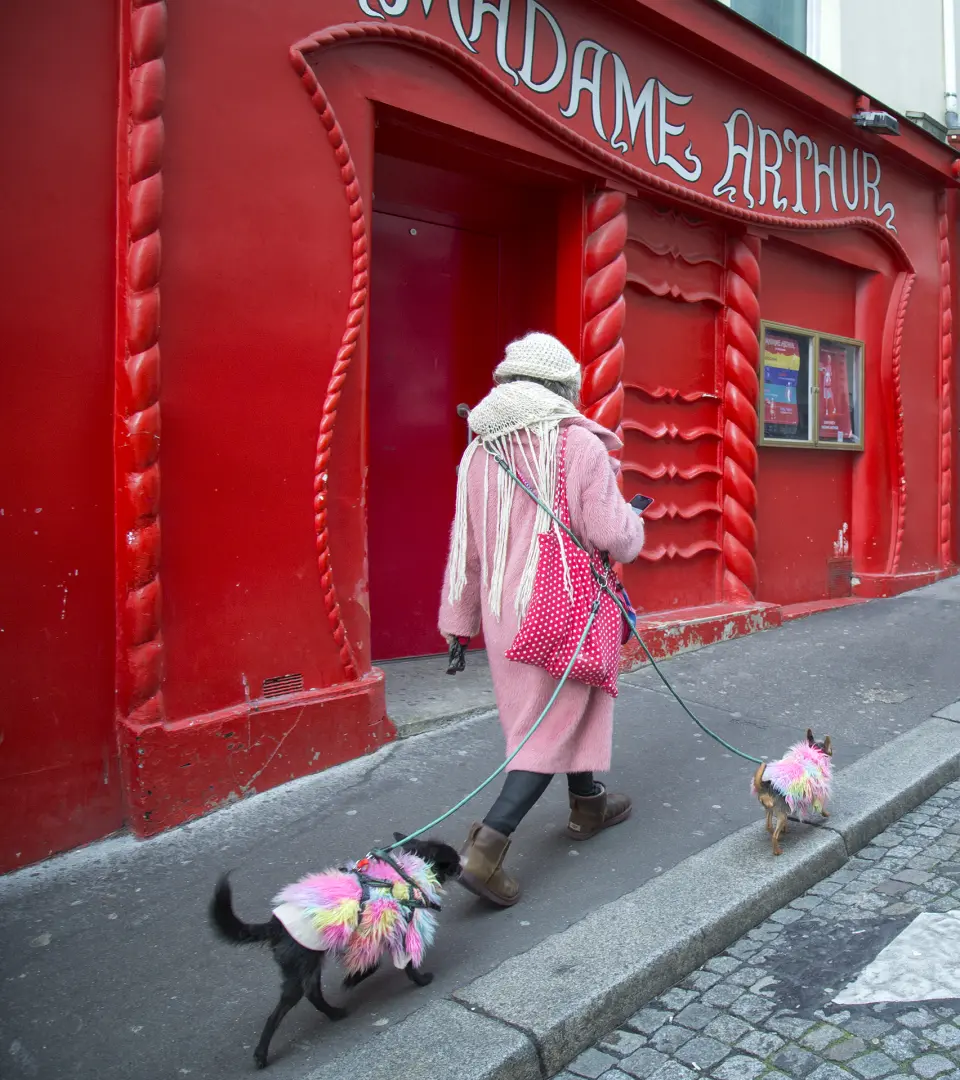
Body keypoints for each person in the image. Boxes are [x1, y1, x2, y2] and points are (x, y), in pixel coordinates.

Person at [438, 331, 646, 907]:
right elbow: (612, 536)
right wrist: (636, 523)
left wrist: (460, 620)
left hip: (509, 609)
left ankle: (587, 804)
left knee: (560, 707)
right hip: (568, 606)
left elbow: (467, 548)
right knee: (546, 728)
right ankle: (486, 847)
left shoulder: (479, 451)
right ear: (562, 389)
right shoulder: (578, 446)